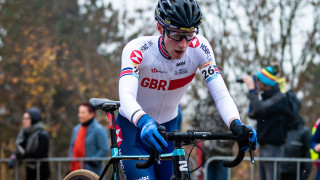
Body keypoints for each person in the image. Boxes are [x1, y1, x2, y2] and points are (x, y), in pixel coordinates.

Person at [116, 0, 257, 179]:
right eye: (176, 34)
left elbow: (221, 95)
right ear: (160, 28)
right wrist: (143, 120)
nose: (183, 44)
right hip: (134, 130)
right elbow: (126, 96)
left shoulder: (200, 48)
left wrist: (236, 124)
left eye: (189, 34)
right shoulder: (138, 49)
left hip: (168, 131)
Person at [242, 66, 292, 180]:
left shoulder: (279, 97)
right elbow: (252, 113)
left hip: (274, 148)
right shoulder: (265, 98)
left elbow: (259, 109)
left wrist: (252, 90)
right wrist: (254, 92)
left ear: (264, 82)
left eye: (258, 81)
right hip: (264, 147)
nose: (257, 83)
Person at [192, 91, 234, 180]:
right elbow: (195, 125)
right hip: (204, 155)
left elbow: (233, 129)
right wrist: (198, 144)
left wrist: (218, 144)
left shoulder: (228, 104)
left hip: (222, 154)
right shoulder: (201, 104)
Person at [8, 108, 50, 180]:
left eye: (26, 119)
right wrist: (14, 155)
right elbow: (21, 147)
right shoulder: (25, 133)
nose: (23, 121)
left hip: (41, 173)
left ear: (33, 120)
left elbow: (38, 155)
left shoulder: (42, 135)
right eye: (23, 119)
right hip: (30, 172)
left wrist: (21, 155)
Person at [69, 102, 109, 175]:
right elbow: (72, 146)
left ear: (91, 114)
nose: (79, 115)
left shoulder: (99, 129)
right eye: (79, 112)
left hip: (91, 172)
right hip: (74, 170)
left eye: (83, 113)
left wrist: (92, 161)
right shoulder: (76, 129)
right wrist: (71, 160)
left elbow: (104, 149)